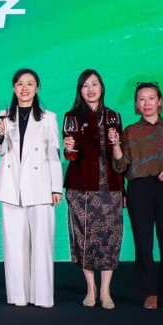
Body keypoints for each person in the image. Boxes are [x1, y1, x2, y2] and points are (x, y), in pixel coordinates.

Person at [111, 82, 163, 310]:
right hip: (139, 189)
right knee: (143, 242)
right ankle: (150, 292)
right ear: (136, 104)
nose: (146, 103)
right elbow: (121, 165)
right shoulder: (129, 132)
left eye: (151, 98)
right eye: (141, 99)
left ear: (159, 101)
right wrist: (115, 145)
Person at [0, 68, 63, 308]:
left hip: (40, 186)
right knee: (13, 245)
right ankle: (17, 296)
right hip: (11, 186)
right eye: (20, 83)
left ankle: (42, 296)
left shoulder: (48, 118)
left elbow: (54, 154)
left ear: (37, 88)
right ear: (14, 87)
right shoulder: (4, 116)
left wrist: (56, 187)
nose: (25, 88)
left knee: (42, 243)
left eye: (30, 84)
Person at [62, 69, 125, 310]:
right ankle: (91, 288)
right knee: (85, 236)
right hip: (81, 186)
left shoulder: (113, 116)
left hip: (111, 185)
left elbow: (120, 159)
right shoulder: (72, 117)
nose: (90, 89)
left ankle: (106, 291)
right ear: (80, 90)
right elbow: (70, 155)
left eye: (95, 84)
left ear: (102, 87)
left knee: (110, 236)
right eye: (85, 85)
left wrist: (116, 144)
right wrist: (69, 148)